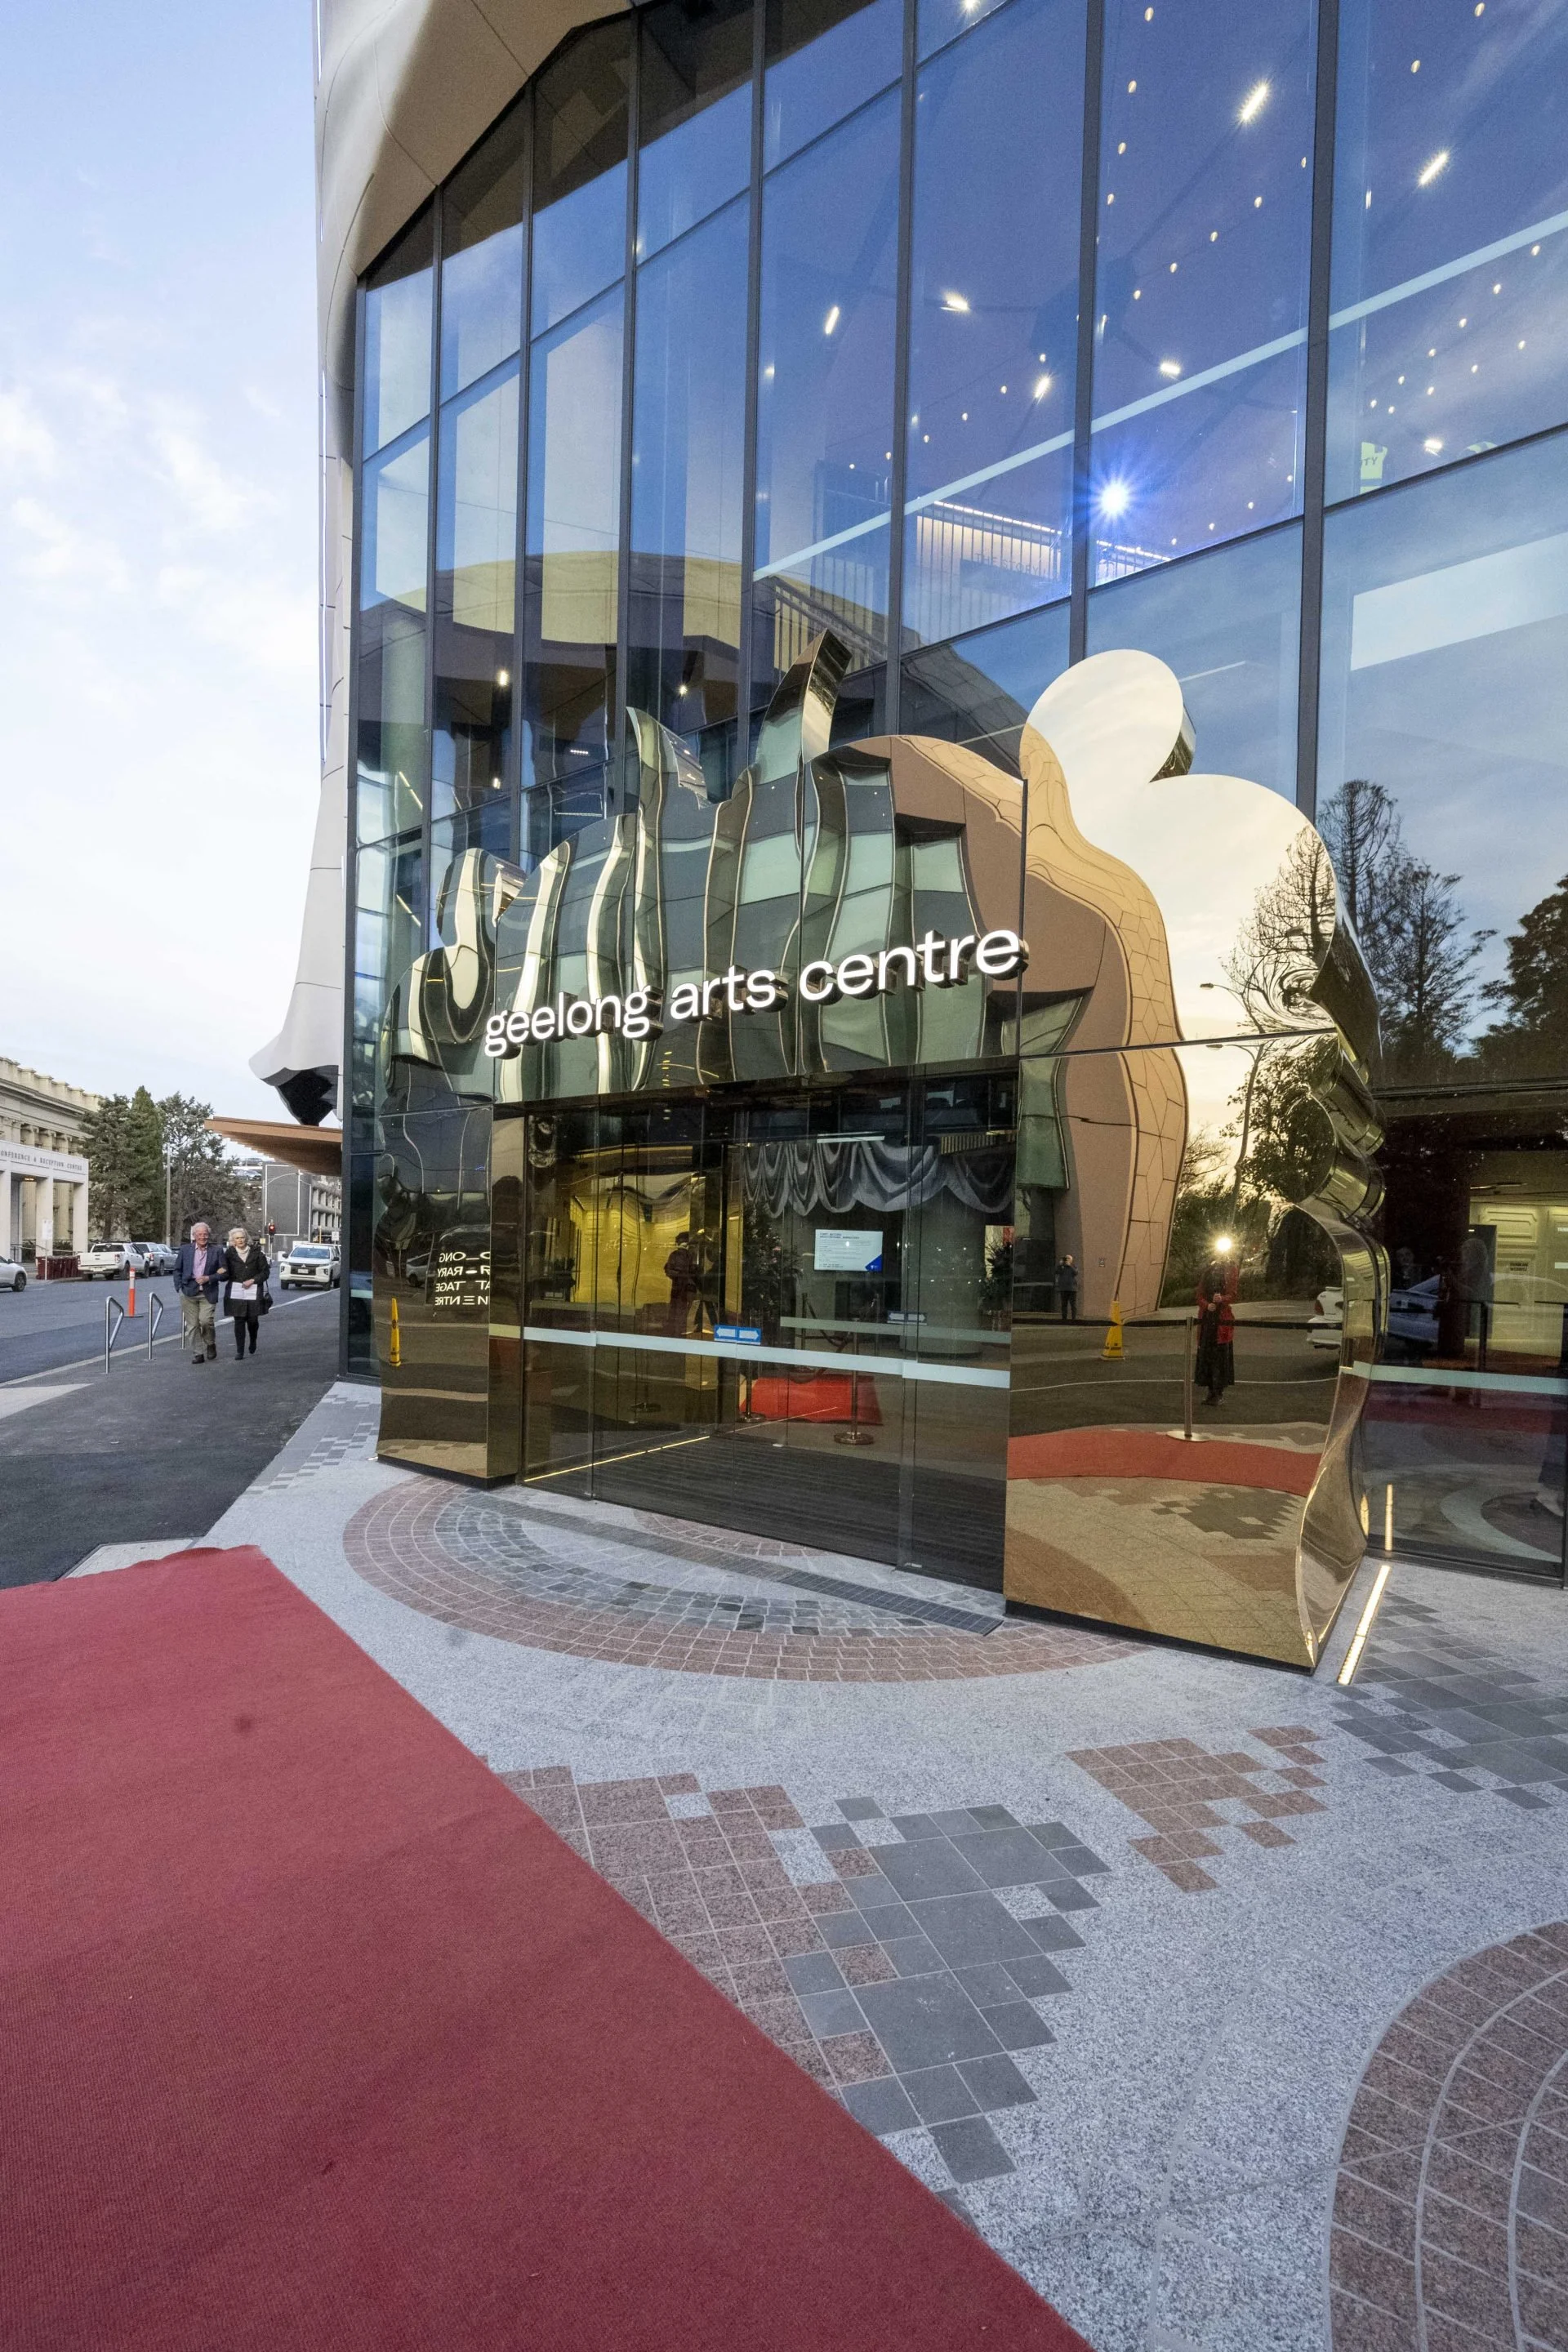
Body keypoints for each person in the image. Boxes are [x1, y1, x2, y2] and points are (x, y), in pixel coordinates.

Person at [173, 1222, 223, 1364]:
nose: (203, 1237)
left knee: (206, 1321)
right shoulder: (185, 1250)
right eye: (199, 1234)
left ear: (209, 1235)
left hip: (208, 1292)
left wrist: (209, 1278)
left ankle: (210, 1343)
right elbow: (177, 1269)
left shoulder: (217, 1251)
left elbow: (224, 1271)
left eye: (205, 1234)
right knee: (193, 1325)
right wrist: (179, 1287)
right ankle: (198, 1353)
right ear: (194, 1236)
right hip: (188, 1292)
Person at [1195, 1256, 1238, 1406]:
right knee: (1207, 1356)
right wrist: (1207, 1305)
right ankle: (1211, 1391)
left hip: (1221, 1321)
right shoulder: (1208, 1270)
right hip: (1208, 1320)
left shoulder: (1230, 1270)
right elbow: (1199, 1295)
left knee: (1220, 1357)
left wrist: (1223, 1299)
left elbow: (1233, 1293)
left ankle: (1218, 1392)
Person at [223, 1227, 270, 1360]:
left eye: (242, 1237)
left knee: (252, 1320)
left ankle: (253, 1340)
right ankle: (240, 1350)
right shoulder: (229, 1254)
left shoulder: (257, 1253)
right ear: (233, 1240)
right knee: (239, 1320)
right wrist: (221, 1272)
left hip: (253, 1291)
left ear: (246, 1238)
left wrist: (253, 1280)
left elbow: (265, 1272)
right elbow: (225, 1271)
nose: (240, 1240)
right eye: (237, 1238)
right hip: (236, 1291)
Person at [664, 1230, 700, 1338]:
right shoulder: (692, 1256)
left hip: (676, 1287)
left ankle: (673, 1333)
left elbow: (669, 1271)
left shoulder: (674, 1255)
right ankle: (680, 1333)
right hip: (688, 1288)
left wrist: (678, 1274)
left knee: (674, 1310)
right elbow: (695, 1272)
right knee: (683, 1312)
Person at [1054, 1254, 1080, 1322]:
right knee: (1064, 1304)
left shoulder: (1073, 1266)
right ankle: (1064, 1318)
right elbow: (1056, 1272)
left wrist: (1069, 1266)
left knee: (1073, 1305)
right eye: (1066, 1258)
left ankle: (1073, 1318)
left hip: (1072, 1289)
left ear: (1071, 1260)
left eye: (1068, 1258)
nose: (1067, 1260)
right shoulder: (1062, 1267)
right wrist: (1060, 1265)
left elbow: (1075, 1273)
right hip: (1064, 1288)